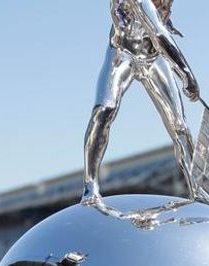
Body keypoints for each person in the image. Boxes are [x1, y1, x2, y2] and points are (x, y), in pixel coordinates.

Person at [82, 0, 200, 203]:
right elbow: (159, 32)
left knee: (179, 124)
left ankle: (197, 188)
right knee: (104, 110)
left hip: (153, 56)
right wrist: (186, 73)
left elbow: (160, 31)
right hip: (122, 52)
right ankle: (90, 186)